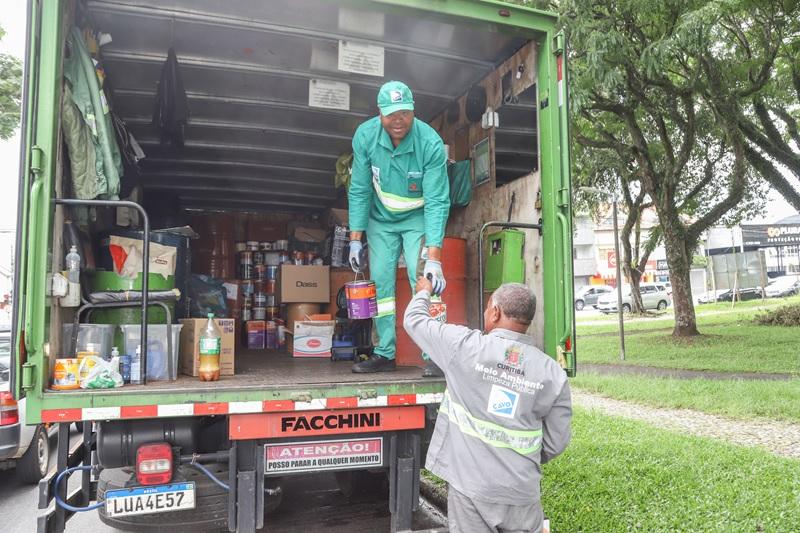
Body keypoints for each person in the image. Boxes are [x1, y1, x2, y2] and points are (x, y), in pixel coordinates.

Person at [404, 279, 572, 533]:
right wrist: (520, 461)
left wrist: (424, 291)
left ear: (495, 311)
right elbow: (556, 442)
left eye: (487, 308)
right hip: (522, 492)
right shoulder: (552, 374)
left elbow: (414, 320)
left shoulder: (464, 347)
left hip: (471, 490)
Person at [348, 80, 451, 375]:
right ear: (379, 113)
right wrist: (356, 238)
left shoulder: (429, 143)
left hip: (417, 218)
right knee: (381, 284)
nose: (398, 121)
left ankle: (434, 355)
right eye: (391, 114)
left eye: (404, 113)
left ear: (413, 111)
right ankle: (384, 352)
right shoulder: (365, 137)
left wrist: (434, 258)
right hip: (380, 220)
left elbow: (437, 202)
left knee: (424, 279)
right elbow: (359, 189)